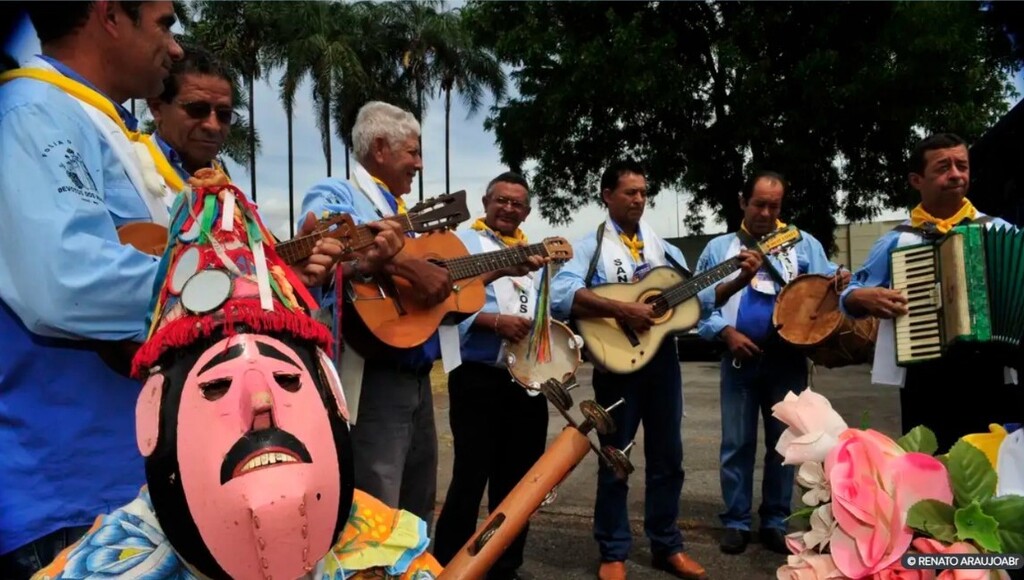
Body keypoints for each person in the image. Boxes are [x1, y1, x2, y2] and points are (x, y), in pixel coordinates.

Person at [32, 179, 440, 580]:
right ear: (152, 417)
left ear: (332, 392)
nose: (261, 400)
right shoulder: (101, 568)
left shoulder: (388, 550)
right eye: (215, 386)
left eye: (287, 379)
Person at [0, 3, 184, 576]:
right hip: (69, 491)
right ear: (109, 15)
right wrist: (221, 282)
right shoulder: (32, 112)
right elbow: (66, 282)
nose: (175, 48)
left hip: (122, 478)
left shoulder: (89, 121)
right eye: (164, 23)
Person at [300, 101, 455, 527]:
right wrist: (402, 265)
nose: (420, 163)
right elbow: (326, 243)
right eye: (413, 152)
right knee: (376, 504)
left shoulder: (405, 212)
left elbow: (429, 282)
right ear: (381, 148)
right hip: (374, 374)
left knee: (418, 501)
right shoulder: (337, 193)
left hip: (419, 374)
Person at [551, 160, 707, 580]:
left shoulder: (664, 250)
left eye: (643, 192)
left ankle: (667, 545)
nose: (639, 199)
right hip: (617, 365)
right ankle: (613, 550)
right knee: (615, 457)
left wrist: (734, 279)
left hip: (663, 366)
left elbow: (699, 299)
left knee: (668, 458)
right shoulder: (591, 246)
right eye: (630, 192)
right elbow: (562, 294)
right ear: (607, 195)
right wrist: (623, 308)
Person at [694, 170, 846, 555]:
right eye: (758, 203)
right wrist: (725, 334)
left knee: (786, 445)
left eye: (773, 206)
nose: (765, 212)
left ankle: (776, 521)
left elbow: (828, 283)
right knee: (736, 443)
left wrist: (842, 279)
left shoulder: (802, 244)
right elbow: (698, 305)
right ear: (743, 202)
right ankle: (737, 521)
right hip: (739, 361)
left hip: (788, 361)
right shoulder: (719, 249)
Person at [840, 133, 1022, 453]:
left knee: (992, 469)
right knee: (929, 469)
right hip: (925, 375)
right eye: (943, 167)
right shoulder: (898, 240)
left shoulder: (1001, 231)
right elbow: (851, 293)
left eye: (962, 166)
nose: (955, 174)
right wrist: (861, 297)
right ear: (917, 179)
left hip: (991, 371)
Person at [433, 172, 548, 580]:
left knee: (518, 484)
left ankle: (505, 564)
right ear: (486, 202)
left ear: (527, 211)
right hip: (478, 377)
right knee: (470, 475)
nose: (509, 208)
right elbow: (445, 304)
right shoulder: (464, 245)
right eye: (501, 200)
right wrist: (492, 321)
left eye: (517, 203)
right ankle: (448, 563)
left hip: (527, 383)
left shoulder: (536, 255)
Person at [146, 45, 235, 182]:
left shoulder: (237, 200)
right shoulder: (123, 171)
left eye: (224, 114)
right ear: (157, 108)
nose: (213, 126)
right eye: (198, 110)